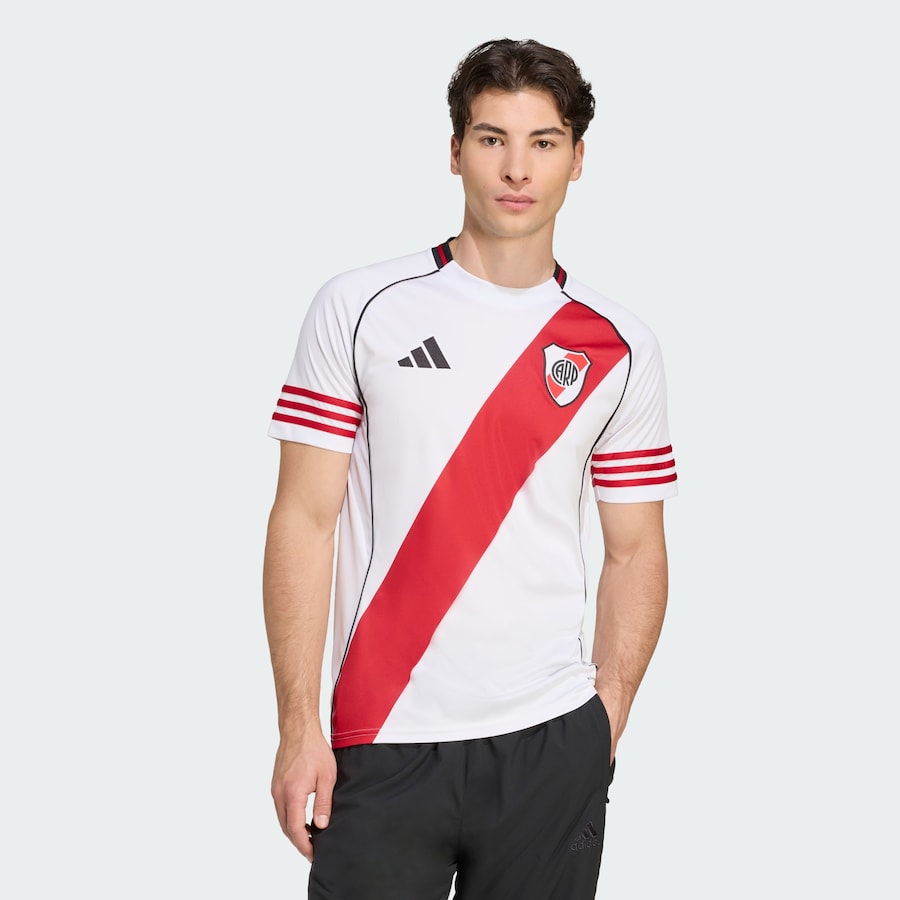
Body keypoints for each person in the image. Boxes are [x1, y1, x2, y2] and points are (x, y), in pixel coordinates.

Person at [262, 36, 677, 900]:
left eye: (543, 142)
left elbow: (636, 548)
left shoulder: (619, 346)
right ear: (455, 151)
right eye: (493, 139)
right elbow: (303, 519)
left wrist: (605, 718)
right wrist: (298, 727)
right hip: (381, 737)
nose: (516, 169)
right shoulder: (361, 307)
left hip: (550, 738)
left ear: (577, 159)